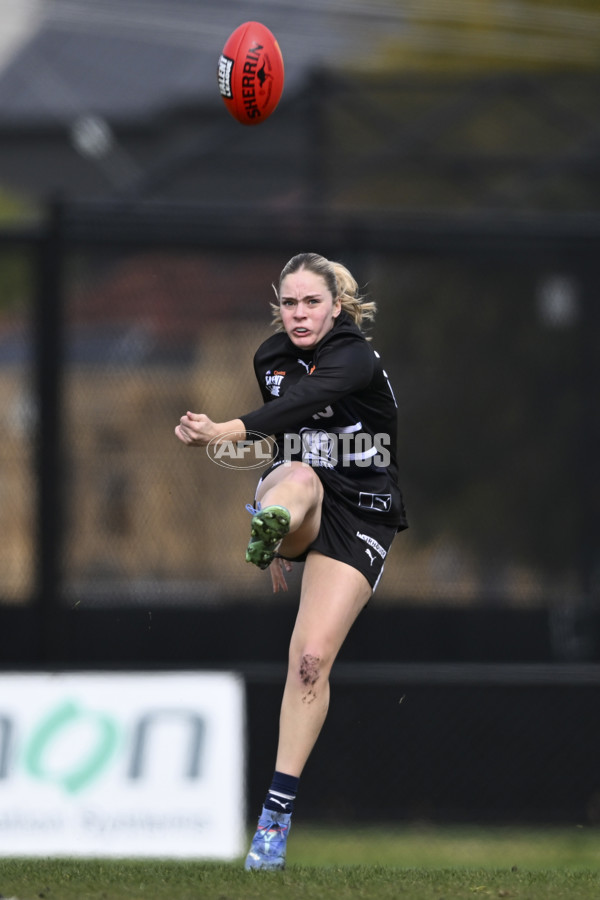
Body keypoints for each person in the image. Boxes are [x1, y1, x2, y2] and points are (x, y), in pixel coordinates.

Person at [175, 252, 408, 870]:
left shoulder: (353, 356)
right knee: (298, 472)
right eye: (289, 302)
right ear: (276, 306)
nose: (299, 313)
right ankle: (272, 523)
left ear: (337, 306)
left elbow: (297, 406)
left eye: (311, 302)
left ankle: (273, 824)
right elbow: (289, 433)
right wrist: (282, 524)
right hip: (302, 491)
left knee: (309, 661)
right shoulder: (270, 357)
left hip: (363, 510)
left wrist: (226, 428)